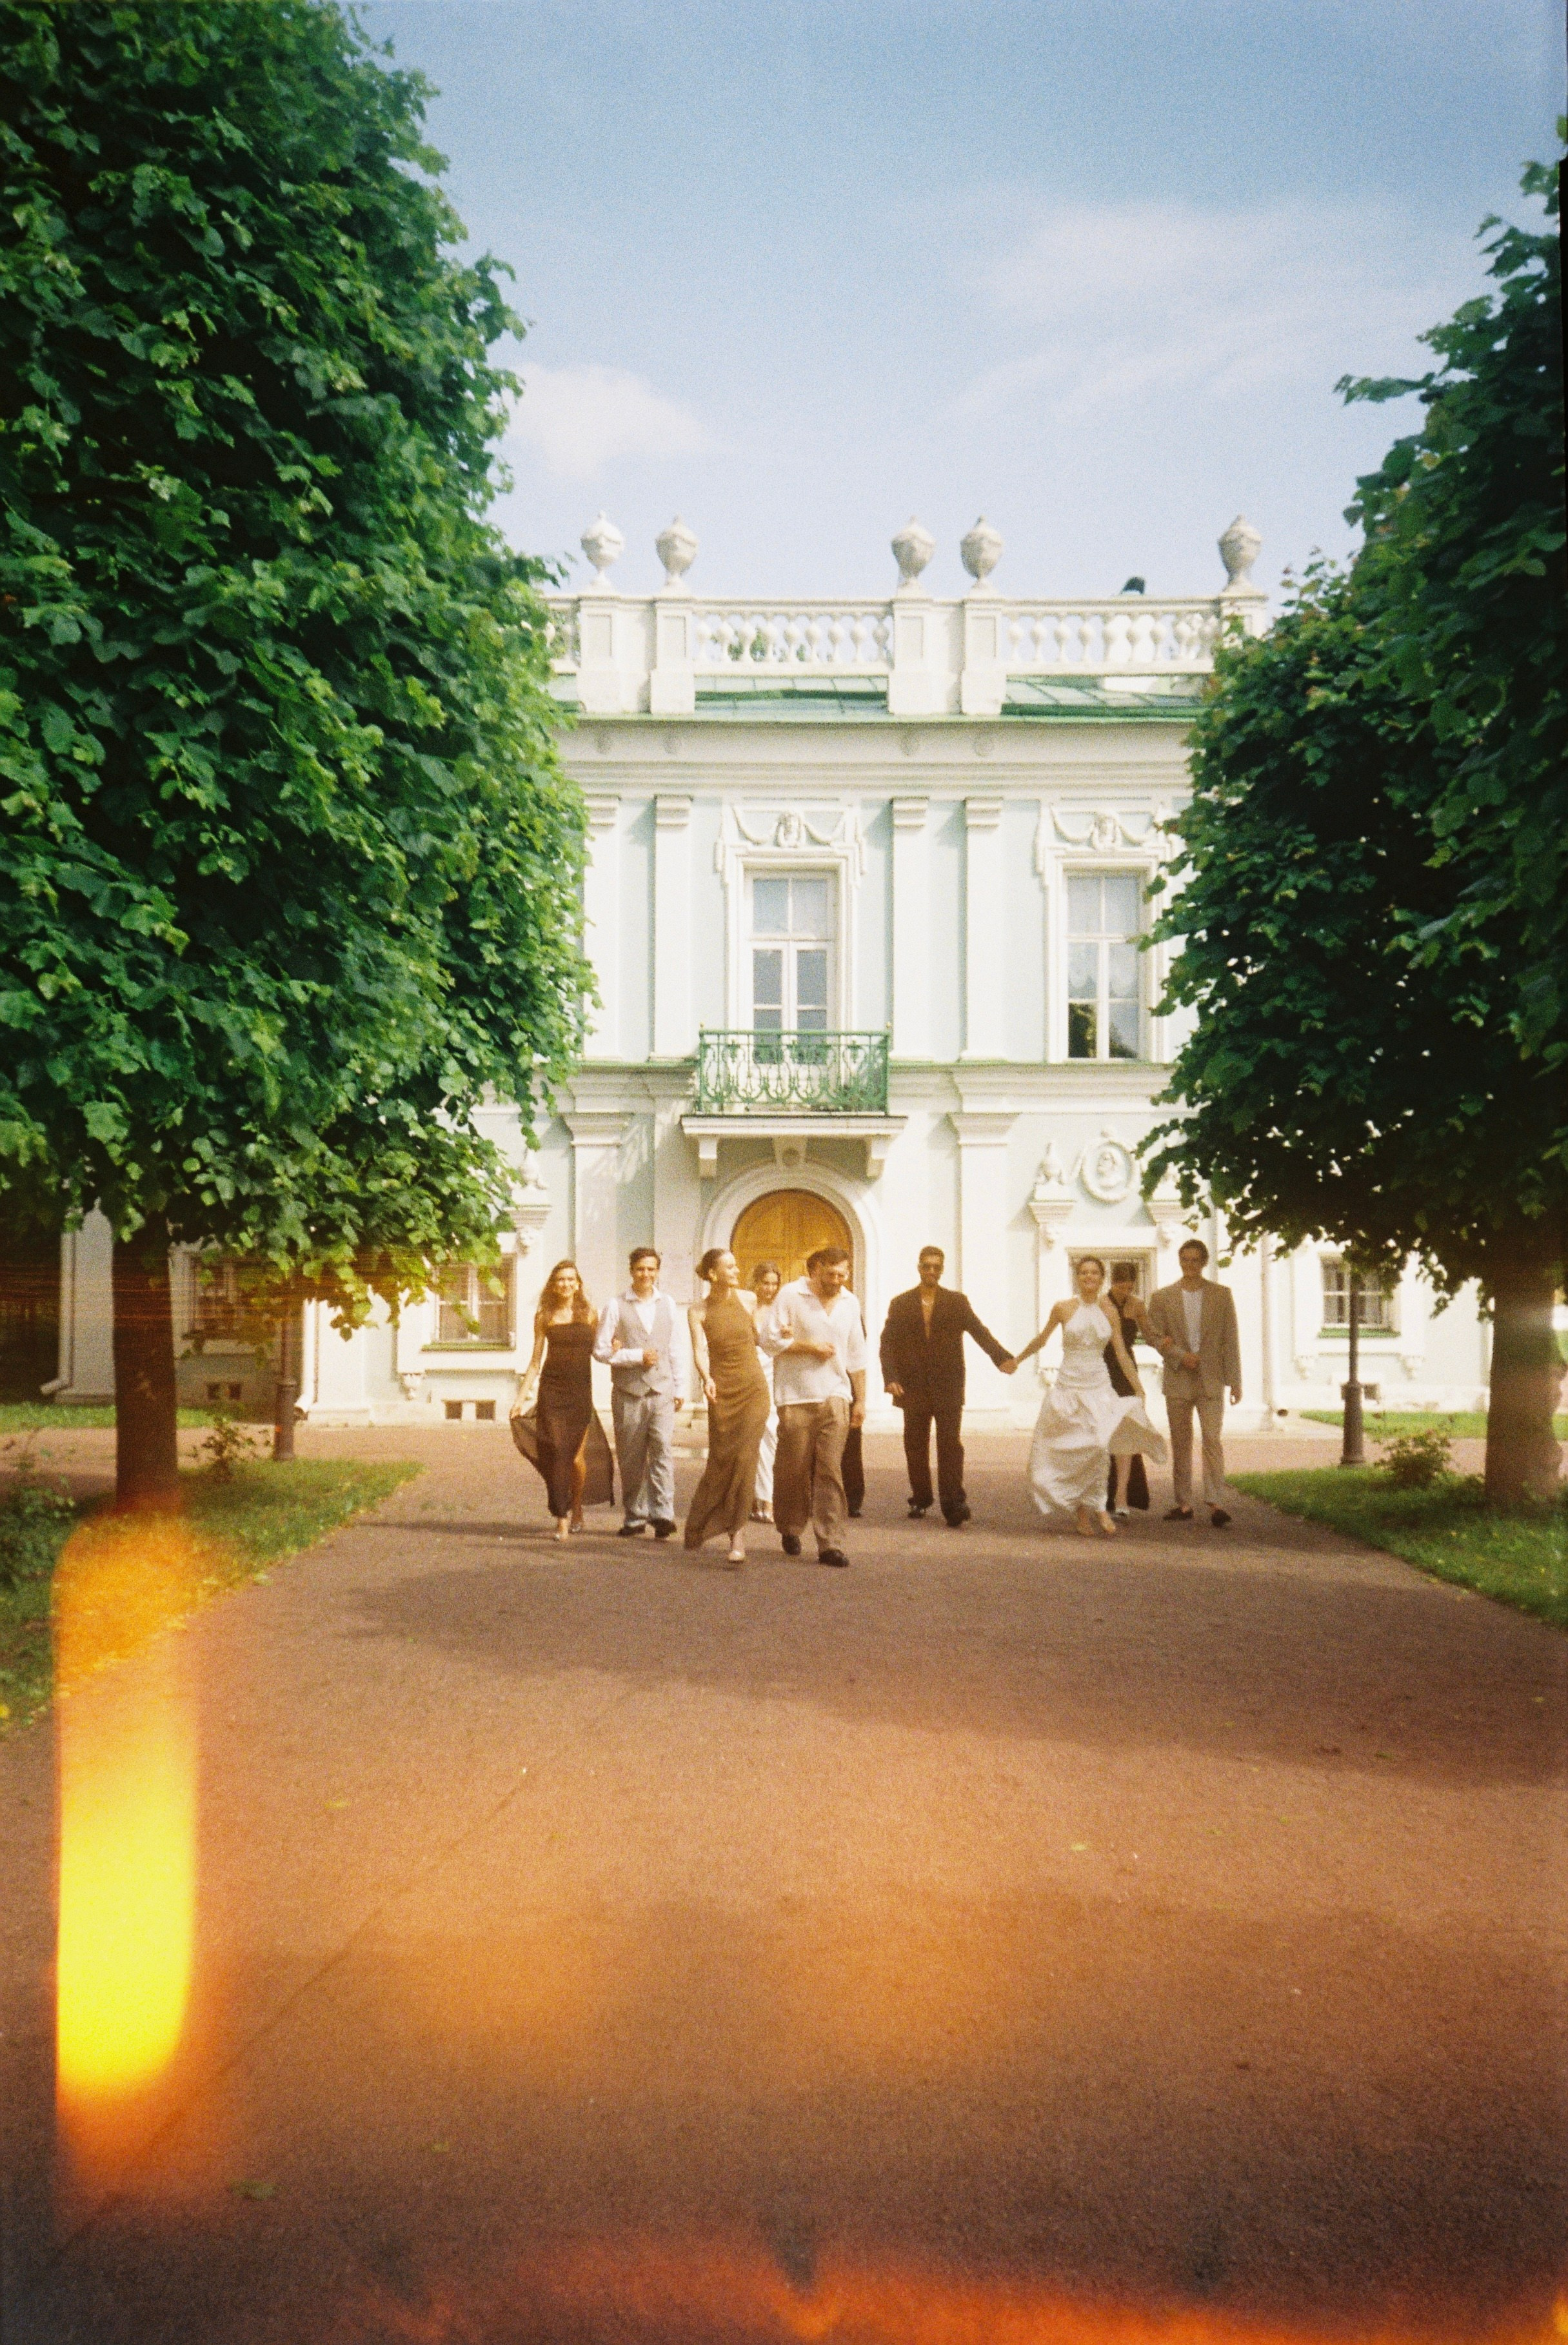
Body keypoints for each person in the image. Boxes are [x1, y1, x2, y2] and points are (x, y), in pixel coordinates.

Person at [1005, 1253, 1166, 1537]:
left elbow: (1120, 1352)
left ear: (1102, 1279)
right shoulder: (1063, 1308)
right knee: (1075, 1448)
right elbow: (1042, 1339)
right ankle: (1081, 1511)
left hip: (1099, 1384)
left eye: (1094, 1273)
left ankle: (1101, 1506)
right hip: (1070, 1385)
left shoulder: (1109, 1311)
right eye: (1084, 1273)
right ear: (1077, 1278)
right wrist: (1017, 1359)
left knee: (1098, 1445)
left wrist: (1138, 1387)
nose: (1089, 1277)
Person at [880, 1244, 1013, 1526]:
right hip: (912, 1386)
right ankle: (921, 1499)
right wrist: (891, 1378)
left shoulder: (957, 1302)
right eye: (926, 1266)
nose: (931, 1271)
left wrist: (1001, 1358)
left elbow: (979, 1331)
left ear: (942, 1270)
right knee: (915, 1446)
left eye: (936, 1267)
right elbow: (887, 1343)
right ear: (919, 1267)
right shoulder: (901, 1303)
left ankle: (954, 1504)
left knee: (950, 1445)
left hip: (948, 1385)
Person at [761, 1244, 867, 1568]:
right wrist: (808, 1347)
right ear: (815, 1270)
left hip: (836, 1395)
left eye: (842, 1275)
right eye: (831, 1274)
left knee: (830, 1469)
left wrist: (861, 1399)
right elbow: (769, 1341)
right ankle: (791, 1526)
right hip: (796, 1396)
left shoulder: (850, 1302)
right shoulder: (791, 1296)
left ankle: (830, 1543)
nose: (837, 1281)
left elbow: (857, 1354)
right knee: (794, 1468)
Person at [510, 1261, 613, 1542]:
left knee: (577, 1460)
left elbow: (602, 1349)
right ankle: (562, 1518)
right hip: (552, 1392)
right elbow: (534, 1363)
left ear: (578, 1284)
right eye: (560, 1280)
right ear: (553, 1286)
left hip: (579, 1392)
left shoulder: (590, 1314)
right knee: (557, 1453)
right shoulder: (544, 1316)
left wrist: (617, 1347)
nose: (566, 1284)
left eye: (570, 1279)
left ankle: (577, 1505)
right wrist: (520, 1400)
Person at [1146, 1238, 1242, 1528]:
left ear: (1204, 1262)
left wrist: (1235, 1381)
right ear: (1179, 1261)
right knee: (1181, 1440)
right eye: (1185, 1259)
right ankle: (1184, 1502)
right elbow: (1152, 1335)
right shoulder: (1162, 1297)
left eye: (1195, 1260)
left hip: (1212, 1378)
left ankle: (1215, 1501)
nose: (1190, 1265)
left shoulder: (1221, 1295)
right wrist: (1178, 1355)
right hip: (1178, 1378)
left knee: (1212, 1438)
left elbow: (1231, 1340)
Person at [684, 1248, 771, 1566]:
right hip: (722, 1389)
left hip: (753, 1388)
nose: (736, 1270)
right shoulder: (698, 1311)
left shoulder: (748, 1300)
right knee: (723, 1459)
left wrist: (783, 1335)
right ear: (712, 1274)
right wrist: (706, 1378)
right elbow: (699, 1350)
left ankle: (737, 1535)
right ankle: (703, 1522)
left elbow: (762, 1338)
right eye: (730, 1266)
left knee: (747, 1457)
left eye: (736, 1265)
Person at [594, 1246, 686, 1539]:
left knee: (662, 1450)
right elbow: (600, 1350)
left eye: (651, 1269)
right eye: (640, 1269)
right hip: (629, 1392)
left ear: (658, 1272)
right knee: (631, 1456)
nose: (646, 1274)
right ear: (631, 1271)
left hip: (661, 1389)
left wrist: (681, 1386)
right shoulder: (615, 1306)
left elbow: (675, 1348)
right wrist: (634, 1356)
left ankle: (663, 1515)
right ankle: (635, 1516)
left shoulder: (668, 1304)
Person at [1103, 1262, 1153, 1519]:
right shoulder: (1101, 1304)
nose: (1125, 1288)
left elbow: (1151, 1335)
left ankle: (1122, 1494)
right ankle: (1101, 1494)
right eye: (1120, 1282)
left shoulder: (1137, 1305)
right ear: (1112, 1281)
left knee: (1125, 1432)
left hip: (1125, 1373)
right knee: (1101, 1434)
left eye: (1130, 1283)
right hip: (1101, 1370)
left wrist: (1167, 1343)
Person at [746, 1261, 782, 1524]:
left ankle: (767, 1499)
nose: (769, 1289)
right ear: (755, 1282)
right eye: (765, 1283)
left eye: (774, 1284)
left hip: (773, 1378)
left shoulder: (781, 1311)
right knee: (748, 1439)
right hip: (747, 1377)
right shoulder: (745, 1308)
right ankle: (749, 1498)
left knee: (769, 1436)